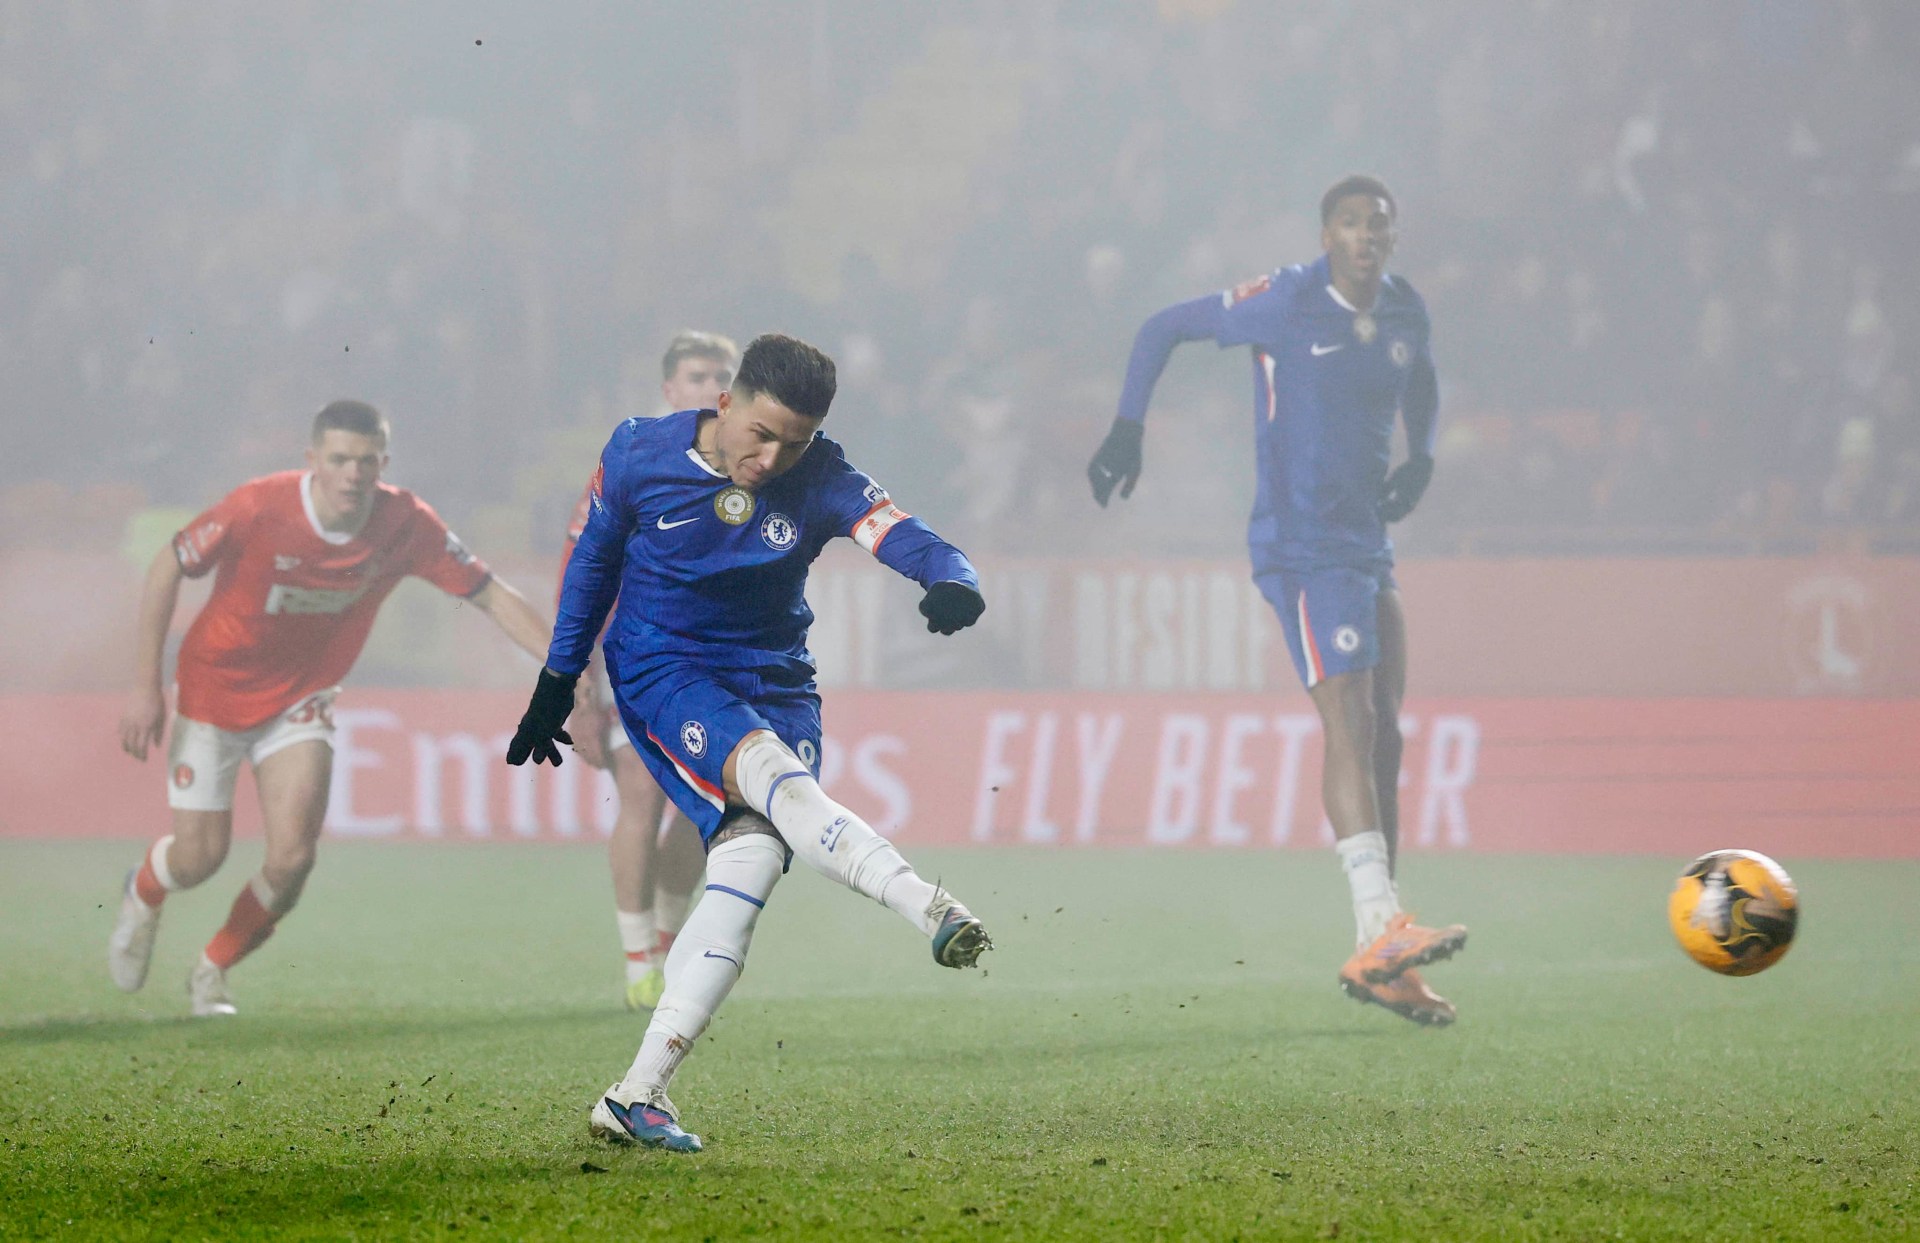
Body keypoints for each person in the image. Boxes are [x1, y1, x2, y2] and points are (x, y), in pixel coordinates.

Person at [507, 333, 991, 1152]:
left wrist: (953, 579)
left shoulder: (822, 474)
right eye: (760, 434)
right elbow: (592, 562)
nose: (770, 459)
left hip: (777, 681)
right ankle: (929, 905)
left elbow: (908, 535)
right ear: (725, 403)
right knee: (777, 778)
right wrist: (560, 677)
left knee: (752, 863)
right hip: (664, 666)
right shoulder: (638, 452)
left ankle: (635, 1093)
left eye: (792, 443)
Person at [1086, 174, 1467, 1026]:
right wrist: (1128, 427)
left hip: (1367, 544)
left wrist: (1422, 456)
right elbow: (1162, 327)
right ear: (1327, 235)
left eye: (1378, 223)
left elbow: (1423, 381)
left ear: (1393, 237)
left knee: (1388, 735)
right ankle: (1381, 924)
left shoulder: (1404, 309)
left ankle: (1383, 952)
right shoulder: (1285, 302)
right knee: (1351, 716)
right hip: (1301, 549)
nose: (1365, 235)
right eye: (1351, 222)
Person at [109, 401, 554, 1016]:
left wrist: (563, 670)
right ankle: (143, 890)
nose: (353, 474)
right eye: (340, 459)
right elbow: (167, 565)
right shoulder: (258, 506)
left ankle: (213, 968)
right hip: (213, 690)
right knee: (199, 858)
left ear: (383, 464)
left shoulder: (406, 522)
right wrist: (144, 687)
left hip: (301, 696)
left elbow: (492, 595)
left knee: (293, 859)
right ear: (312, 460)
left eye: (366, 461)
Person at [561, 331, 738, 1011]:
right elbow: (582, 569)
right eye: (697, 375)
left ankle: (665, 939)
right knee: (643, 796)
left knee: (709, 806)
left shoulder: (752, 462)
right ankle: (640, 961)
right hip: (636, 652)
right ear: (669, 388)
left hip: (717, 658)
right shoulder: (633, 458)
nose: (711, 386)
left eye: (722, 374)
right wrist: (576, 680)